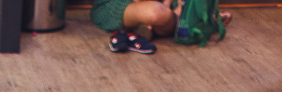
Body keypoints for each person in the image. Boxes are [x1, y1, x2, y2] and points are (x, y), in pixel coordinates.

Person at [91, 0, 231, 55]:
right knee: (157, 14)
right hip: (123, 4)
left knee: (161, 14)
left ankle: (146, 29)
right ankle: (182, 19)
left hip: (164, 5)